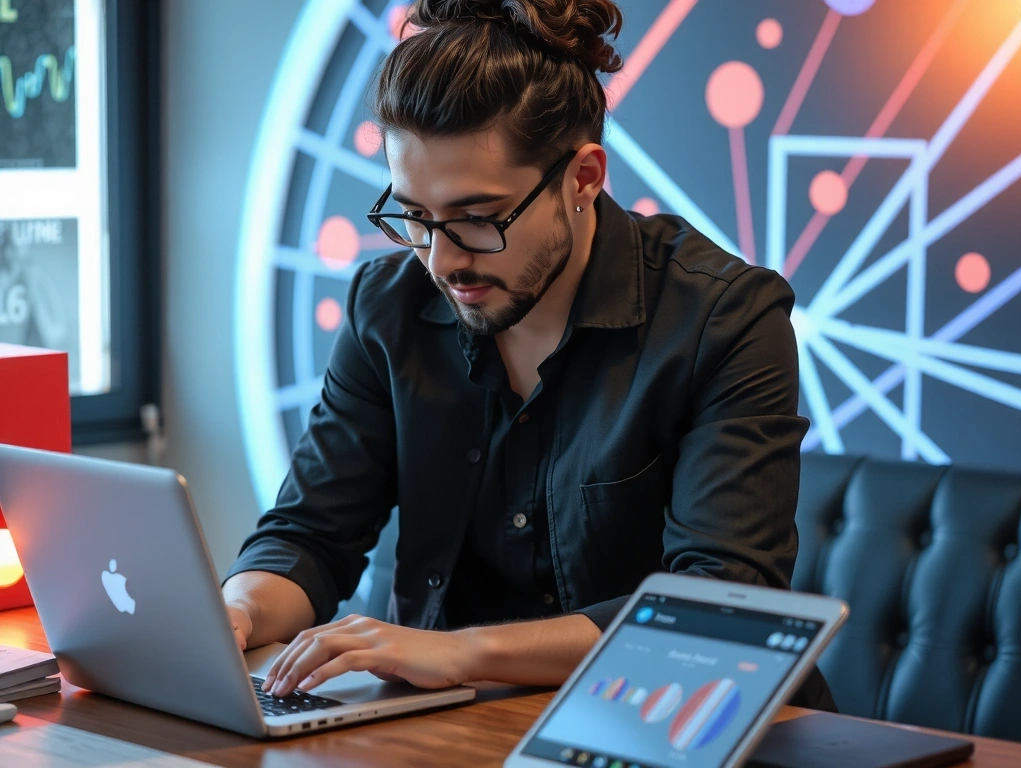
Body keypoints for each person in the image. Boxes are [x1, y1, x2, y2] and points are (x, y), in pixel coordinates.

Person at [222, 0, 835, 710]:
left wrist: (459, 653)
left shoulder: (725, 318)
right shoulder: (386, 306)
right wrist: (236, 614)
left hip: (689, 731)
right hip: (460, 732)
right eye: (415, 218)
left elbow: (720, 616)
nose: (443, 260)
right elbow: (307, 536)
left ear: (583, 178)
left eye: (479, 219)